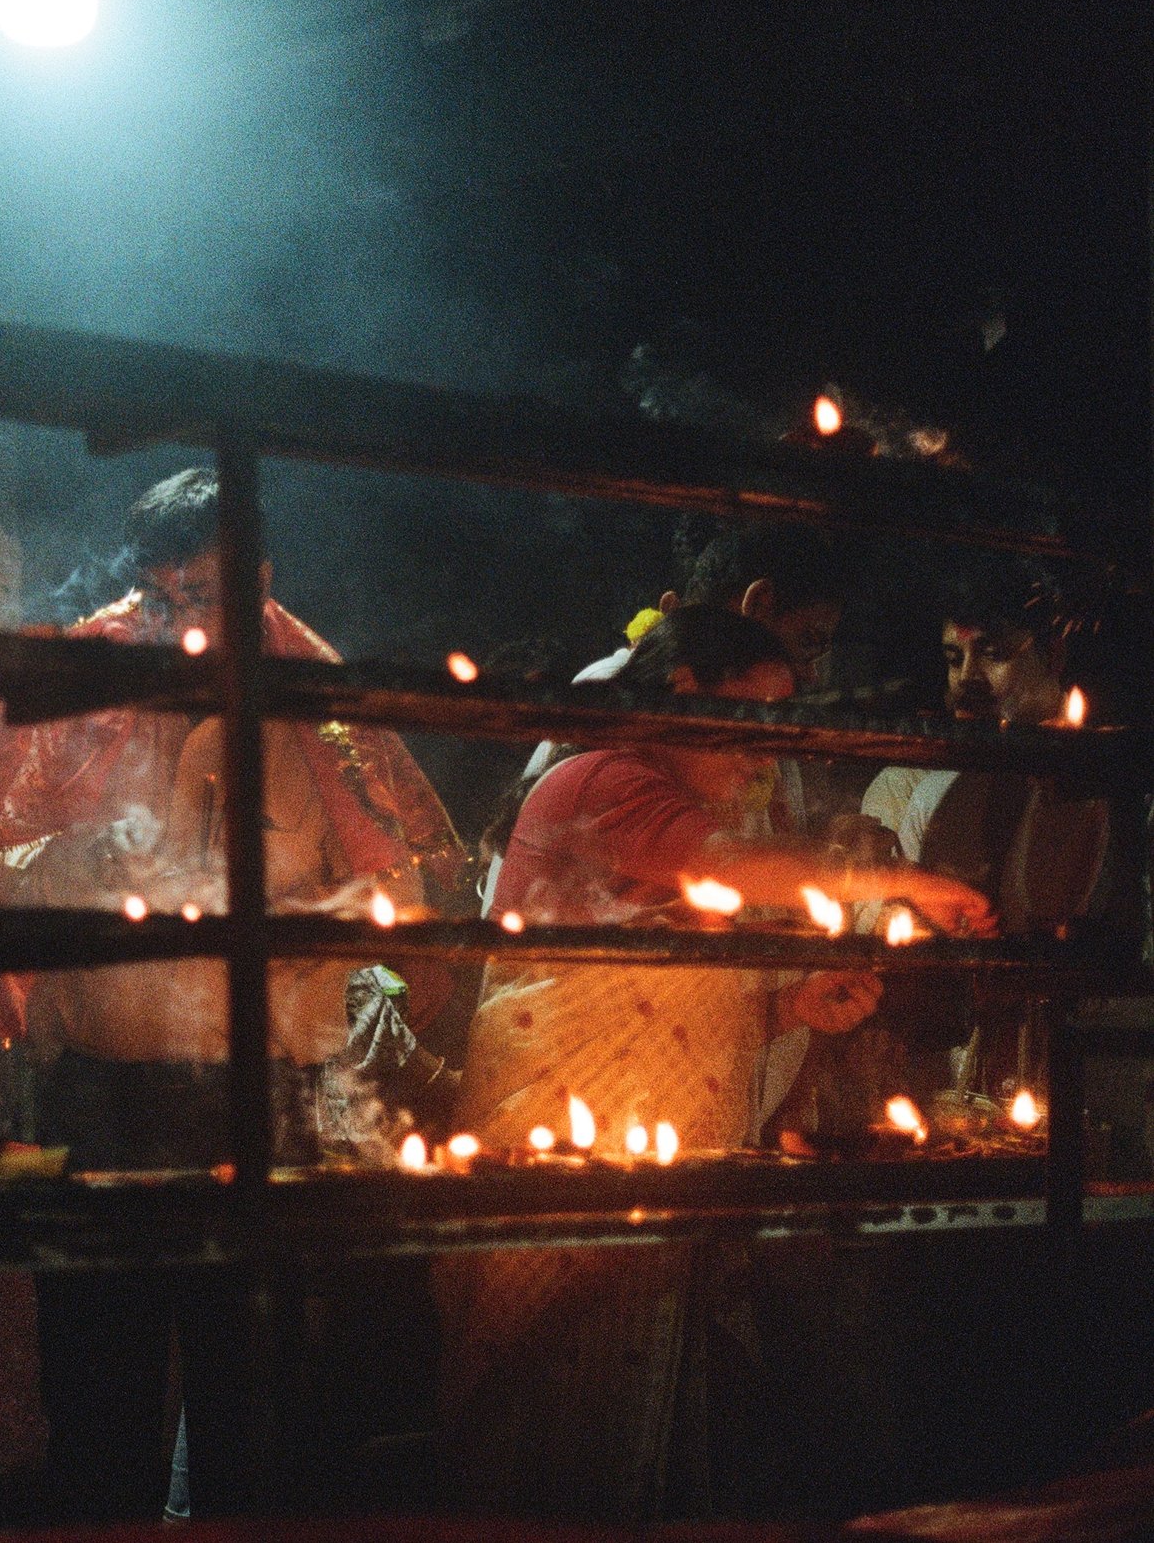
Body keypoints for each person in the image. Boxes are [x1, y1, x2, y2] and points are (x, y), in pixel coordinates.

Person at [0, 466, 470, 1522]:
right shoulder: (83, 688)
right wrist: (87, 862)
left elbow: (393, 897)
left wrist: (301, 927)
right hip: (102, 1093)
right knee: (95, 1400)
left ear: (257, 580)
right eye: (163, 598)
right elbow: (0, 863)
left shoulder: (323, 712)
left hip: (267, 1094)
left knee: (254, 1408)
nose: (182, 623)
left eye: (206, 596)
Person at [439, 607, 992, 1520]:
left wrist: (785, 1008)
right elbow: (730, 867)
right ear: (683, 690)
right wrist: (905, 878)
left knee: (633, 1438)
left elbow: (674, 995)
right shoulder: (600, 778)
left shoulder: (659, 798)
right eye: (752, 722)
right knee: (544, 1440)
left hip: (653, 1173)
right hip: (565, 1156)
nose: (763, 755)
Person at [843, 563, 1116, 1104]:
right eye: (954, 658)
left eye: (992, 654)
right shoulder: (905, 782)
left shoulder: (1111, 776)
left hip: (1084, 1063)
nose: (967, 678)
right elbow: (867, 930)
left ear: (1053, 656)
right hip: (930, 1075)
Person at [488, 524, 853, 910]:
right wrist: (872, 873)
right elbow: (736, 866)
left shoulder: (699, 740)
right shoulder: (613, 731)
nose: (766, 753)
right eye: (811, 639)